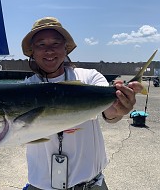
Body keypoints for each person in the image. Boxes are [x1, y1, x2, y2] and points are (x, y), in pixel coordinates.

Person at [21, 17, 143, 190]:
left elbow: (109, 113)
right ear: (32, 51)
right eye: (41, 44)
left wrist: (119, 107)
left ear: (65, 48)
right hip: (41, 186)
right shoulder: (26, 89)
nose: (49, 50)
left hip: (91, 185)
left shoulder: (90, 78)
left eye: (56, 43)